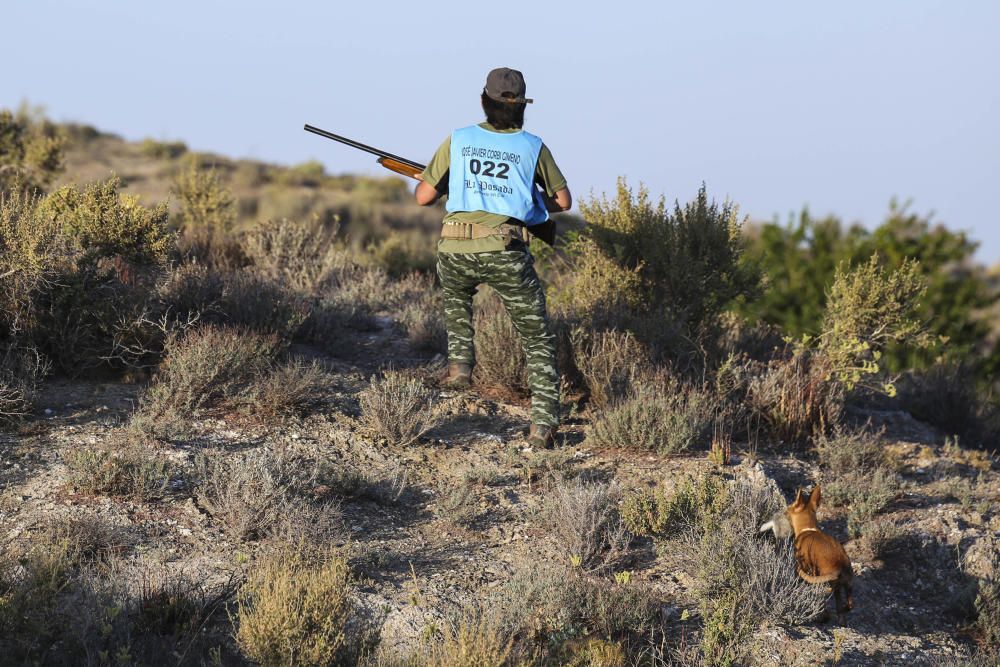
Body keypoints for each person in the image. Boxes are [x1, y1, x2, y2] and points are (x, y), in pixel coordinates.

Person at [414, 67, 572, 449]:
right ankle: (542, 426)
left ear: (483, 101)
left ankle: (459, 367)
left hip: (454, 249)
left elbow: (422, 196)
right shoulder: (533, 146)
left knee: (456, 295)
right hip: (505, 250)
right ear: (521, 109)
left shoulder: (459, 138)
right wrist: (530, 198)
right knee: (536, 339)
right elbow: (564, 202)